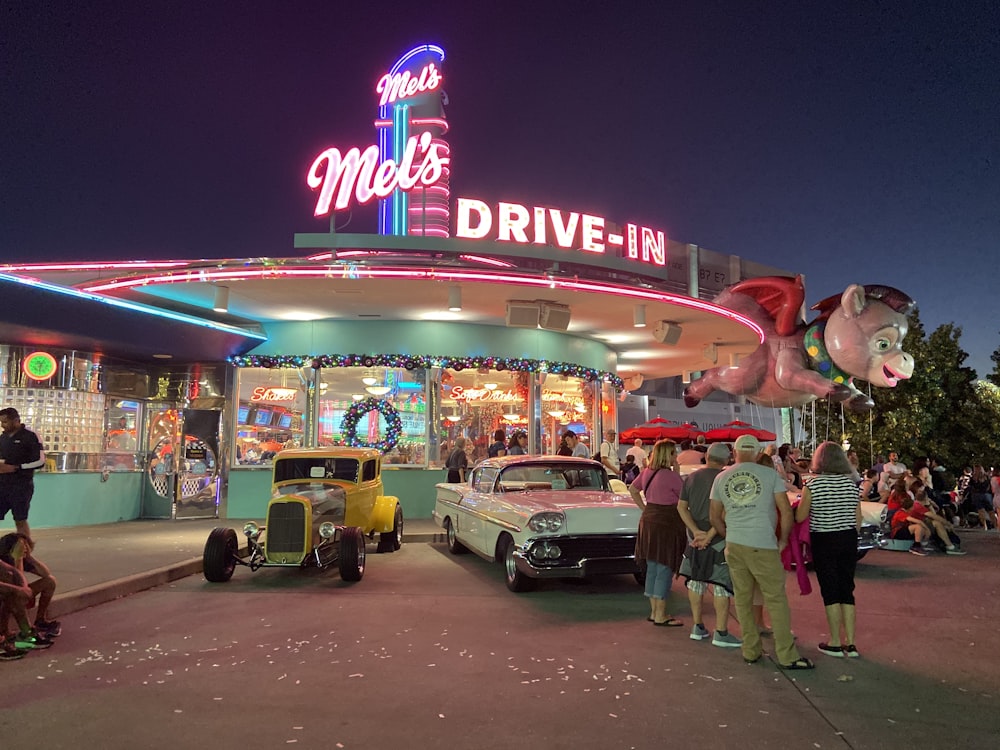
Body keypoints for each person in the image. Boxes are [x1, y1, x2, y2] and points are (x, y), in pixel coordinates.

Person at [710, 435, 813, 670]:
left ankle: (751, 650)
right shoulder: (769, 475)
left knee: (743, 600)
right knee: (775, 599)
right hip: (763, 542)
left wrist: (729, 535)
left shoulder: (721, 477)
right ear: (758, 454)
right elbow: (785, 511)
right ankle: (786, 655)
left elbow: (714, 516)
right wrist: (783, 540)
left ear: (734, 452)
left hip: (735, 544)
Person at [794, 442, 863, 658]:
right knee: (846, 588)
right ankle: (851, 644)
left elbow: (800, 516)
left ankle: (835, 641)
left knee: (830, 589)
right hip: (848, 539)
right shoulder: (851, 484)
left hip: (824, 539)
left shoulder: (812, 485)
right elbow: (858, 520)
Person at [677, 442, 740, 648]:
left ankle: (698, 626)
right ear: (727, 459)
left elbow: (681, 507)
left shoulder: (691, 478)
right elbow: (725, 511)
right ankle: (721, 632)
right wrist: (711, 534)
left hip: (694, 538)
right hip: (719, 539)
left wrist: (696, 532)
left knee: (696, 581)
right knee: (721, 584)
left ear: (707, 457)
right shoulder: (727, 478)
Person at [628, 440, 687, 627]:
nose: (675, 457)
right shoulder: (670, 476)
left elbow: (632, 489)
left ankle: (654, 612)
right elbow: (684, 497)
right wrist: (677, 474)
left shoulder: (647, 472)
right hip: (666, 523)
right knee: (664, 567)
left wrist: (644, 508)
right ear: (666, 455)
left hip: (649, 520)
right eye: (673, 453)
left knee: (652, 567)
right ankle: (661, 614)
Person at [0, 533, 55, 654]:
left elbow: (45, 573)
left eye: (26, 545)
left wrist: (29, 558)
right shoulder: (4, 560)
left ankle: (40, 620)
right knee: (16, 596)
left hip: (13, 594)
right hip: (6, 598)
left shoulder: (21, 558)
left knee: (49, 582)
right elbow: (18, 586)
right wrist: (17, 560)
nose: (25, 548)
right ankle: (20, 633)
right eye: (21, 545)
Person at [0, 407, 46, 541]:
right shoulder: (2, 438)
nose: (3, 425)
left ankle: (25, 552)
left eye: (5, 422)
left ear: (16, 421)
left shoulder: (30, 436)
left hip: (21, 486)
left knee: (20, 519)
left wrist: (16, 468)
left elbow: (40, 461)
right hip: (2, 485)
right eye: (1, 422)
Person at [966, 464, 995, 530]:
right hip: (986, 495)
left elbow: (970, 487)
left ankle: (985, 526)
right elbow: (989, 486)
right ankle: (996, 525)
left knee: (981, 511)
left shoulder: (973, 477)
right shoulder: (986, 477)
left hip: (977, 495)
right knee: (991, 511)